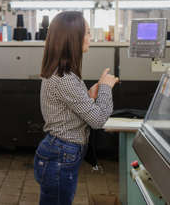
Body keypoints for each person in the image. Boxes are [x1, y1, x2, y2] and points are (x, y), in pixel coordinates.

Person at [34, 11, 118, 205]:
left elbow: (66, 108)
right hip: (61, 154)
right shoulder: (65, 78)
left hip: (59, 150)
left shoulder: (62, 72)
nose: (90, 37)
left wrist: (88, 95)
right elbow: (97, 120)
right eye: (87, 32)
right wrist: (106, 87)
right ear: (73, 37)